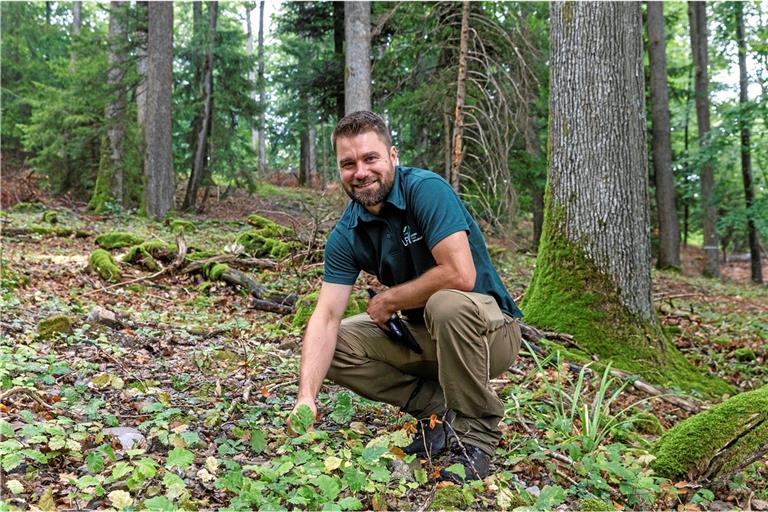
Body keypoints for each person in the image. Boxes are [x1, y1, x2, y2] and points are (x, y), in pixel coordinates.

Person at [288, 110, 522, 481]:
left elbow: (461, 274)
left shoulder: (425, 190)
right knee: (332, 345)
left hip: (491, 335)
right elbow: (325, 316)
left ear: (392, 156)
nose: (360, 172)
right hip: (424, 338)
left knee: (445, 304)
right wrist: (306, 395)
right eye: (348, 164)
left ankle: (476, 437)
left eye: (370, 158)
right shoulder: (347, 233)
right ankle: (438, 411)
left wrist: (390, 300)